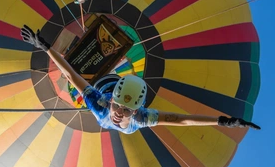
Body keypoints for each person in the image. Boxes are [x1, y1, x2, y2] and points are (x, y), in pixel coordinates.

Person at [20, 25, 261, 134]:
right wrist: (45, 46)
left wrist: (222, 121)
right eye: (118, 106)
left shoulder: (103, 107)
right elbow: (70, 75)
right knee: (90, 72)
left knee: (87, 79)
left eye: (125, 110)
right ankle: (111, 61)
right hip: (107, 79)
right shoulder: (133, 115)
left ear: (136, 110)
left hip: (104, 85)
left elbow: (182, 121)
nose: (119, 112)